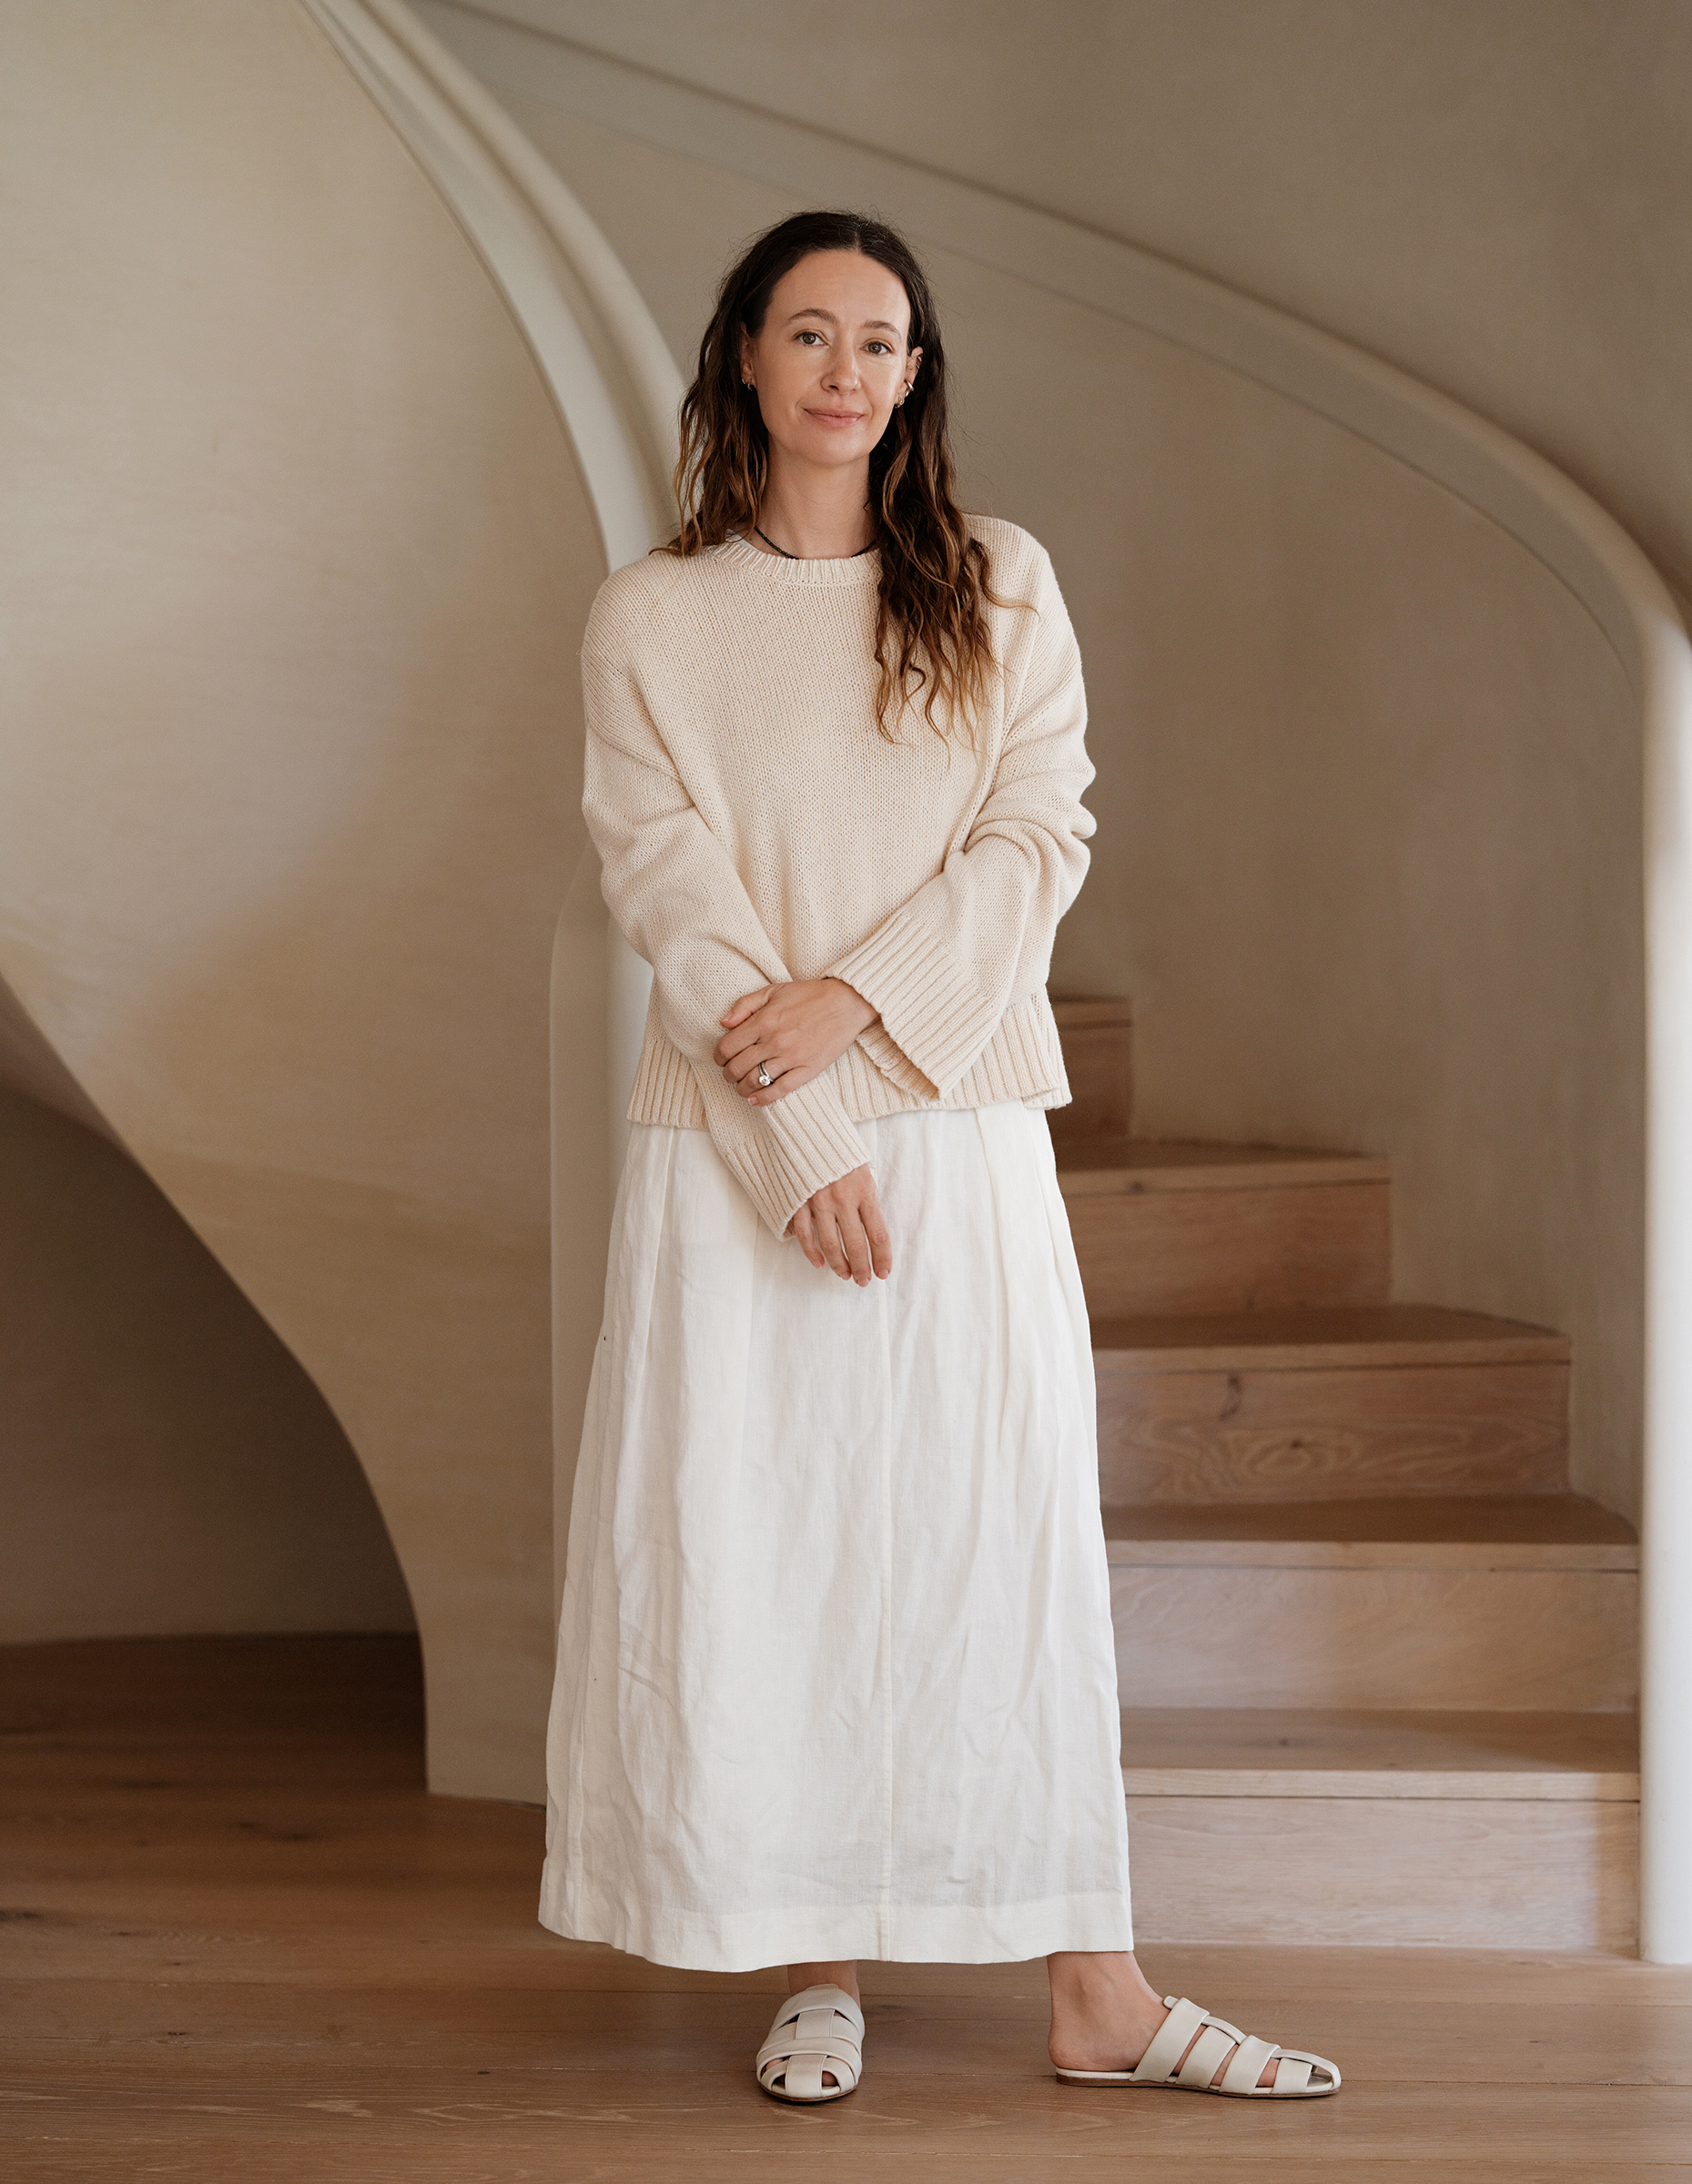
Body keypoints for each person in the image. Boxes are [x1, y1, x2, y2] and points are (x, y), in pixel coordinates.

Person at [539, 207, 1340, 2108]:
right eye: (810, 332)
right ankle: (812, 1963)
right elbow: (668, 887)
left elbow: (1037, 835)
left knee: (998, 1536)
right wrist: (802, 1124)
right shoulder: (650, 616)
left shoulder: (998, 583)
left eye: (882, 340)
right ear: (746, 355)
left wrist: (858, 1008)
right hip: (736, 1145)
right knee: (771, 1543)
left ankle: (1100, 1993)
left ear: (915, 377)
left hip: (960, 1127)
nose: (847, 370)